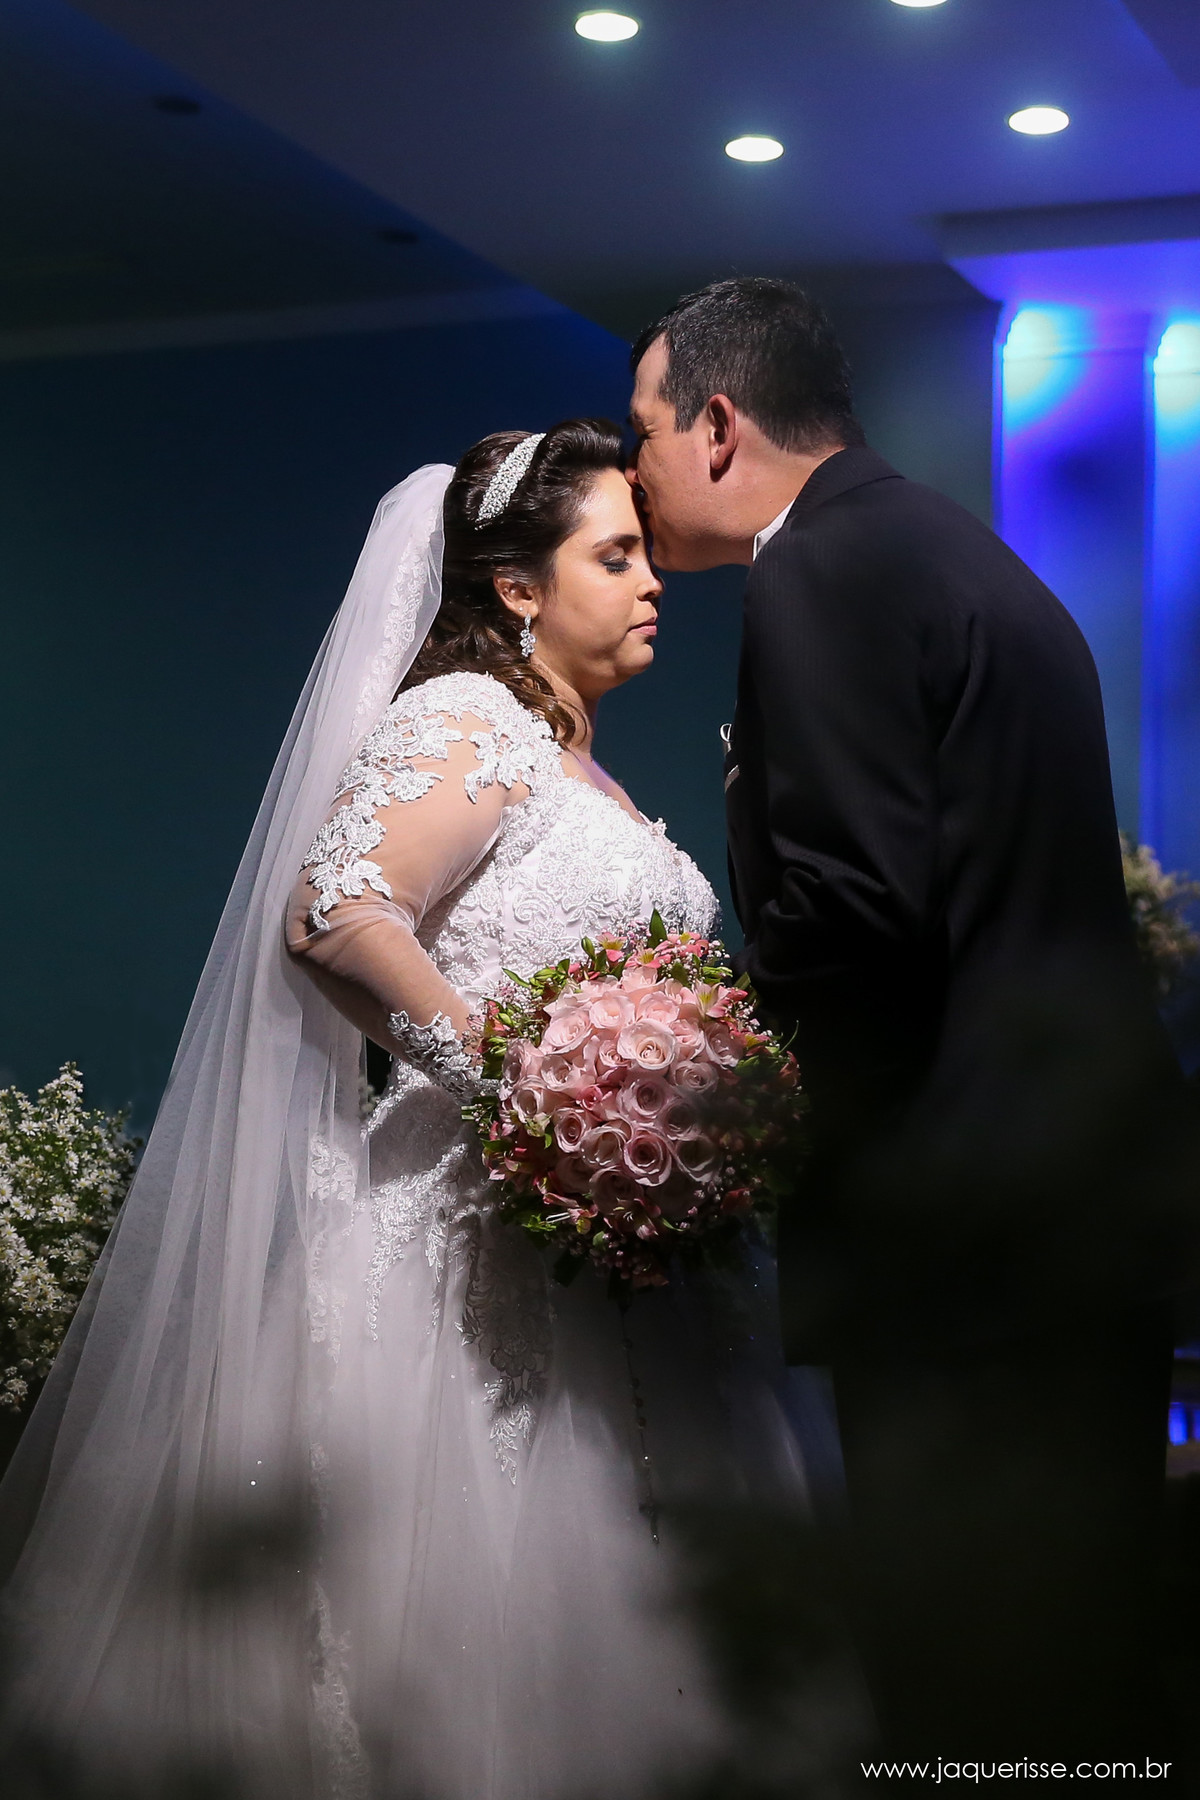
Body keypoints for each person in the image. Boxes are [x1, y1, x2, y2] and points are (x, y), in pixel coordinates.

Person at [0, 419, 856, 1799]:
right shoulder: (467, 721)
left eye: (646, 556)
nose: (653, 582)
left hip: (621, 1254)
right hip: (475, 1240)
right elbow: (336, 918)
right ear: (517, 586)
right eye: (614, 556)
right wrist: (528, 1099)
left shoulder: (577, 764)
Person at [628, 278, 1195, 1766]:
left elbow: (849, 914)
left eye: (644, 434)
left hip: (964, 1238)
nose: (636, 472)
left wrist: (710, 1089)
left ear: (719, 423)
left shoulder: (821, 570)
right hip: (1075, 1211)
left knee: (971, 1679)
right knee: (1080, 1667)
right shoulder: (951, 550)